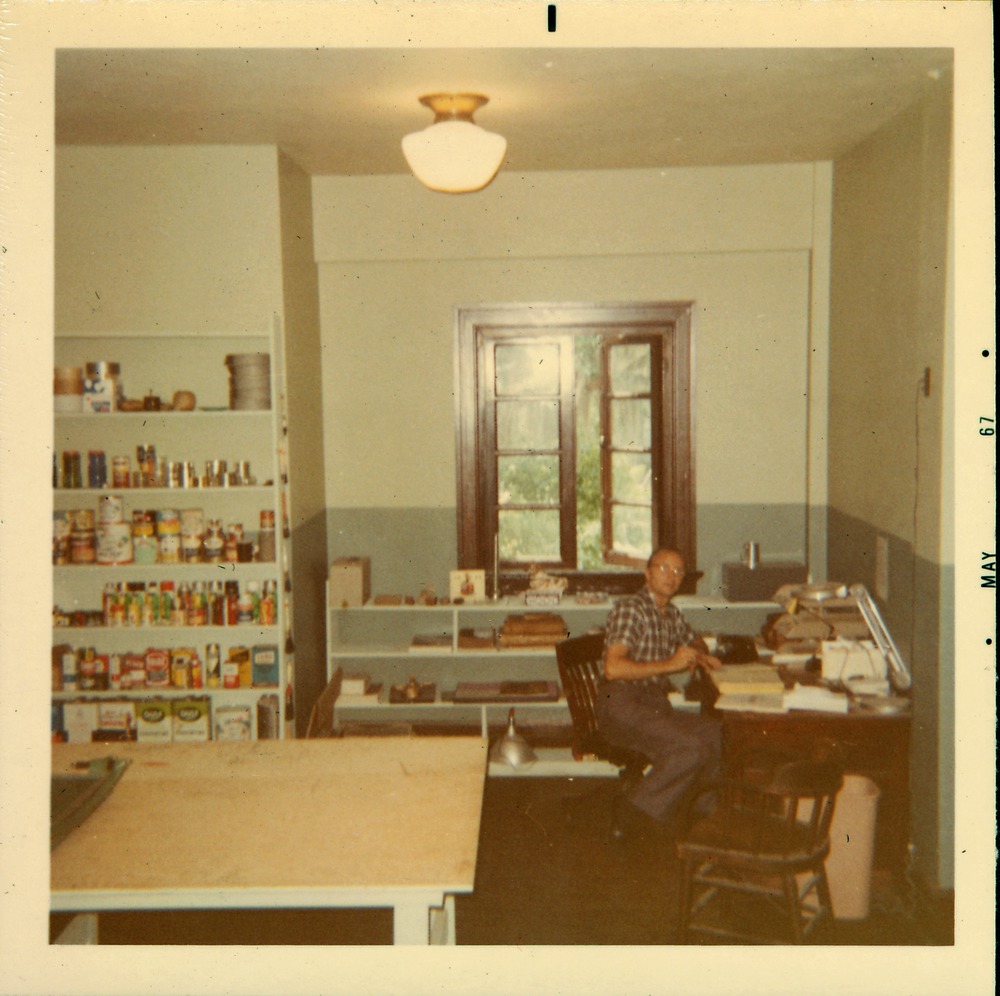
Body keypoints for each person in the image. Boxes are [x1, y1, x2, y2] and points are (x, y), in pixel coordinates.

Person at [598, 548, 723, 831]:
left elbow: (695, 641)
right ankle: (634, 811)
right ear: (647, 573)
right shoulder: (632, 609)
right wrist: (670, 664)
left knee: (718, 734)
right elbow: (613, 669)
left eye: (678, 571)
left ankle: (703, 814)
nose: (672, 576)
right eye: (664, 568)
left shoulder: (671, 615)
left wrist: (699, 655)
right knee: (690, 748)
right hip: (620, 702)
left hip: (653, 704)